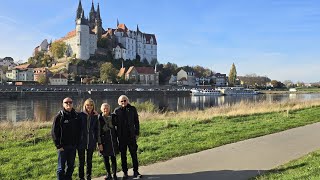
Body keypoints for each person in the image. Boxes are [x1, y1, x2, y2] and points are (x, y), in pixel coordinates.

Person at [113, 95, 142, 179]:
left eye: (125, 101)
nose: (123, 102)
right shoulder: (117, 111)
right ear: (119, 102)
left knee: (134, 154)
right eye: (121, 101)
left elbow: (136, 121)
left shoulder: (132, 109)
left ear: (127, 101)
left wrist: (137, 133)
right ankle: (125, 172)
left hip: (131, 136)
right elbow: (113, 122)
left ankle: (136, 171)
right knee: (123, 155)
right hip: (122, 137)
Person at [51, 97, 80, 180]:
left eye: (70, 102)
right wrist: (58, 145)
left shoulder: (76, 115)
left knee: (71, 166)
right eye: (66, 102)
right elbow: (54, 132)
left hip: (73, 146)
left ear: (72, 103)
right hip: (62, 147)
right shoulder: (59, 116)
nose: (68, 104)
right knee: (61, 168)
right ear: (63, 104)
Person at [78, 98, 100, 180]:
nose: (89, 107)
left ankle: (88, 176)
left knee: (89, 161)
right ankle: (81, 177)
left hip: (91, 141)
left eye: (91, 105)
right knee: (81, 161)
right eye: (87, 105)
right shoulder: (80, 115)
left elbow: (97, 129)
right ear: (85, 106)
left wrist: (97, 141)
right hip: (81, 141)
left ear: (93, 106)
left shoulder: (95, 116)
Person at [98, 103, 119, 180]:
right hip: (104, 141)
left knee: (113, 158)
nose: (105, 109)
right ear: (101, 109)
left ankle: (114, 174)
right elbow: (98, 132)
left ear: (109, 109)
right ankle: (108, 174)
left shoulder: (113, 117)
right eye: (104, 108)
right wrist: (99, 143)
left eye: (107, 108)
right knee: (105, 158)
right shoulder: (99, 118)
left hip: (112, 140)